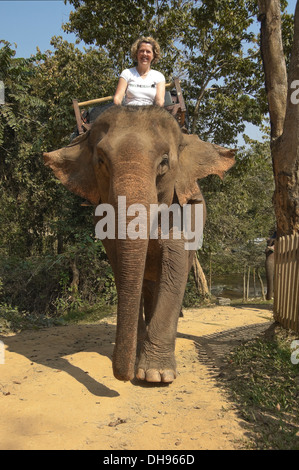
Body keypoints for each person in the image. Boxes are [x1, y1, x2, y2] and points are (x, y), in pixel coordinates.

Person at [113, 37, 165, 107]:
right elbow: (117, 98)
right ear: (136, 53)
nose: (144, 54)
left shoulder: (159, 76)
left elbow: (160, 101)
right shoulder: (127, 73)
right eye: (141, 51)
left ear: (153, 55)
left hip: (150, 113)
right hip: (129, 112)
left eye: (148, 51)